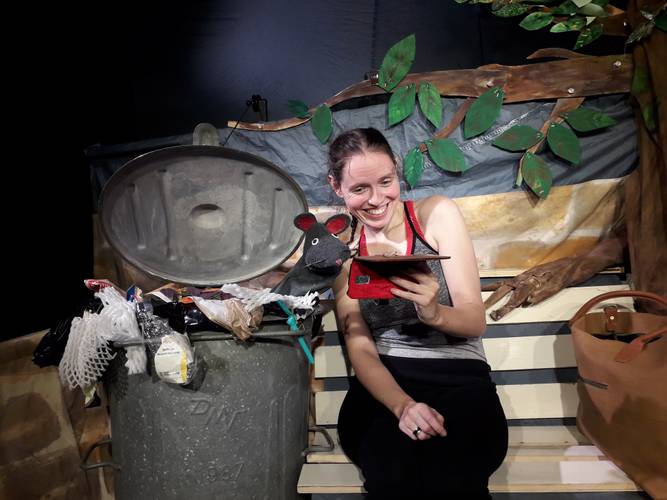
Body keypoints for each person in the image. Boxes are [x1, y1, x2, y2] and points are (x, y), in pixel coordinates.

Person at [328, 128, 508, 499]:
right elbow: (359, 346)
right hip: (385, 387)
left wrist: (434, 313)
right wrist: (404, 406)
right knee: (392, 474)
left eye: (385, 182)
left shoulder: (435, 215)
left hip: (459, 380)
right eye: (360, 189)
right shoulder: (344, 256)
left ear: (397, 169)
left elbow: (474, 321)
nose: (377, 199)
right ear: (337, 187)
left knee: (455, 473)